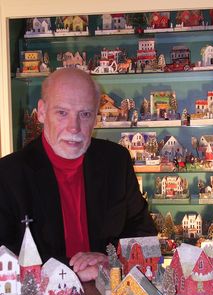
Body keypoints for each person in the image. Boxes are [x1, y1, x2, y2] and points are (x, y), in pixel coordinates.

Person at [0, 68, 156, 282]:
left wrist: (111, 261)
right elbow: (4, 254)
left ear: (96, 117)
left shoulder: (116, 161)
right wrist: (70, 271)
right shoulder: (8, 175)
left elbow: (143, 233)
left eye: (84, 114)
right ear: (42, 112)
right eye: (62, 113)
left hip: (109, 292)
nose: (74, 128)